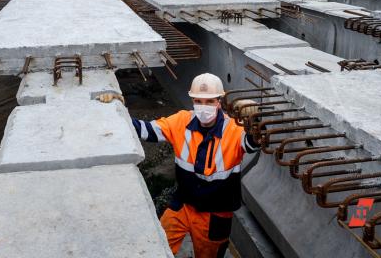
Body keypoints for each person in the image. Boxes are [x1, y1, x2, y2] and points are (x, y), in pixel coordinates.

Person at [96, 73, 260, 258]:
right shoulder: (182, 121)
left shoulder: (233, 129)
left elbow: (253, 143)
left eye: (209, 101)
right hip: (183, 204)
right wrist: (118, 108)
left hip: (214, 214)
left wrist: (255, 120)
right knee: (159, 245)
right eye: (198, 101)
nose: (203, 107)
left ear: (219, 102)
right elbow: (147, 130)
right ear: (192, 101)